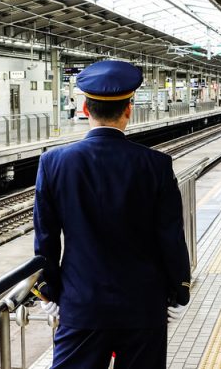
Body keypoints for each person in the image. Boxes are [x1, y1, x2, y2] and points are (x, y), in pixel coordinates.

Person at [33, 60, 191, 368]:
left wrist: (48, 291)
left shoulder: (53, 163)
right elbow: (170, 236)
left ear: (85, 108)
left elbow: (46, 237)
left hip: (81, 306)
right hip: (143, 307)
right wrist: (178, 290)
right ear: (129, 109)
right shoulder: (155, 164)